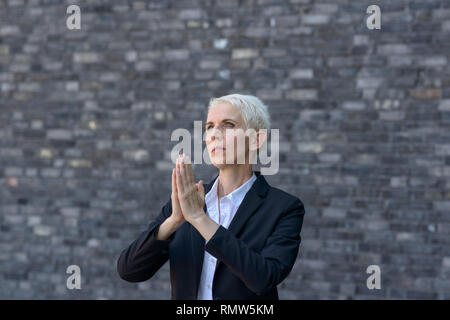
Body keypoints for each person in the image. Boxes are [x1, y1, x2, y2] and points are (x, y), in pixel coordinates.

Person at [117, 94, 305, 300]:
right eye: (209, 127)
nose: (214, 134)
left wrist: (199, 219)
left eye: (228, 125)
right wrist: (173, 221)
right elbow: (129, 270)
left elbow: (264, 278)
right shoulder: (187, 200)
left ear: (256, 139)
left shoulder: (284, 208)